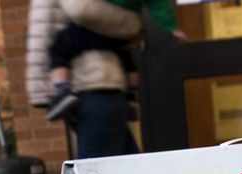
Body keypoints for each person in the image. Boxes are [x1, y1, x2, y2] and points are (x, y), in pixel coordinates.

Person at [27, 0, 140, 158]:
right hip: (89, 85)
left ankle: (131, 96)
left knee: (104, 171)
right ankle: (131, 96)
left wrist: (41, 89)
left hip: (91, 84)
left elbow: (77, 9)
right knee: (118, 170)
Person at [43, 0, 184, 121]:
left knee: (59, 46)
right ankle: (131, 97)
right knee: (125, 56)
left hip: (101, 20)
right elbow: (158, 4)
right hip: (125, 25)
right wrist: (171, 26)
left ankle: (61, 91)